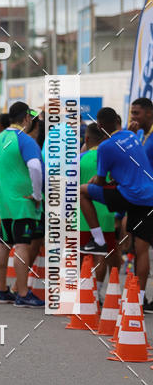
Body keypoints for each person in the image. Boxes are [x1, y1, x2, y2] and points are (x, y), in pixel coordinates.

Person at [80, 106, 153, 305]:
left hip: (129, 195)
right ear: (118, 122)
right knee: (141, 249)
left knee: (82, 191)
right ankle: (138, 300)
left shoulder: (105, 147)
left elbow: (100, 181)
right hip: (148, 195)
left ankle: (98, 240)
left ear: (100, 126)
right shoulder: (131, 136)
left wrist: (94, 180)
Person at [0, 101, 45, 307]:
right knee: (22, 245)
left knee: (4, 244)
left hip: (5, 202)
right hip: (23, 202)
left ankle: (2, 291)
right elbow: (35, 166)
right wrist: (37, 194)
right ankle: (23, 293)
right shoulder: (25, 140)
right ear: (26, 118)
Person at [79, 122, 121, 301]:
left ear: (86, 138)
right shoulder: (112, 158)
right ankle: (97, 294)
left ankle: (82, 292)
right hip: (106, 214)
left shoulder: (79, 159)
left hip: (83, 215)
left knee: (82, 256)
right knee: (101, 254)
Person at [129, 97, 153, 166]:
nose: (132, 117)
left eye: (136, 113)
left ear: (149, 113)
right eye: (132, 113)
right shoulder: (138, 133)